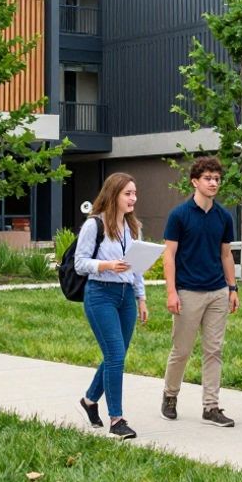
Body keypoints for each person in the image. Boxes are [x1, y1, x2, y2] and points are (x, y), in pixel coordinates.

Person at [160, 156, 238, 426]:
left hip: (217, 292)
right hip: (188, 292)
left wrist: (232, 288)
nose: (213, 182)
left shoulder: (223, 216)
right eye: (208, 178)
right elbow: (168, 256)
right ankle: (170, 395)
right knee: (181, 350)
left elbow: (226, 254)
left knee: (214, 350)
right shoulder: (179, 215)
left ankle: (211, 406)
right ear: (195, 181)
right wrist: (171, 292)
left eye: (217, 178)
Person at [75, 172, 149, 440]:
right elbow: (79, 263)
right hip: (100, 295)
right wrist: (107, 265)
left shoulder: (133, 227)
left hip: (125, 296)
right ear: (113, 194)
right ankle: (117, 419)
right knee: (116, 355)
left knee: (115, 356)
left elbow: (136, 268)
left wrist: (141, 298)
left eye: (134, 193)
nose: (133, 198)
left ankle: (89, 401)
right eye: (128, 193)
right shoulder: (94, 226)